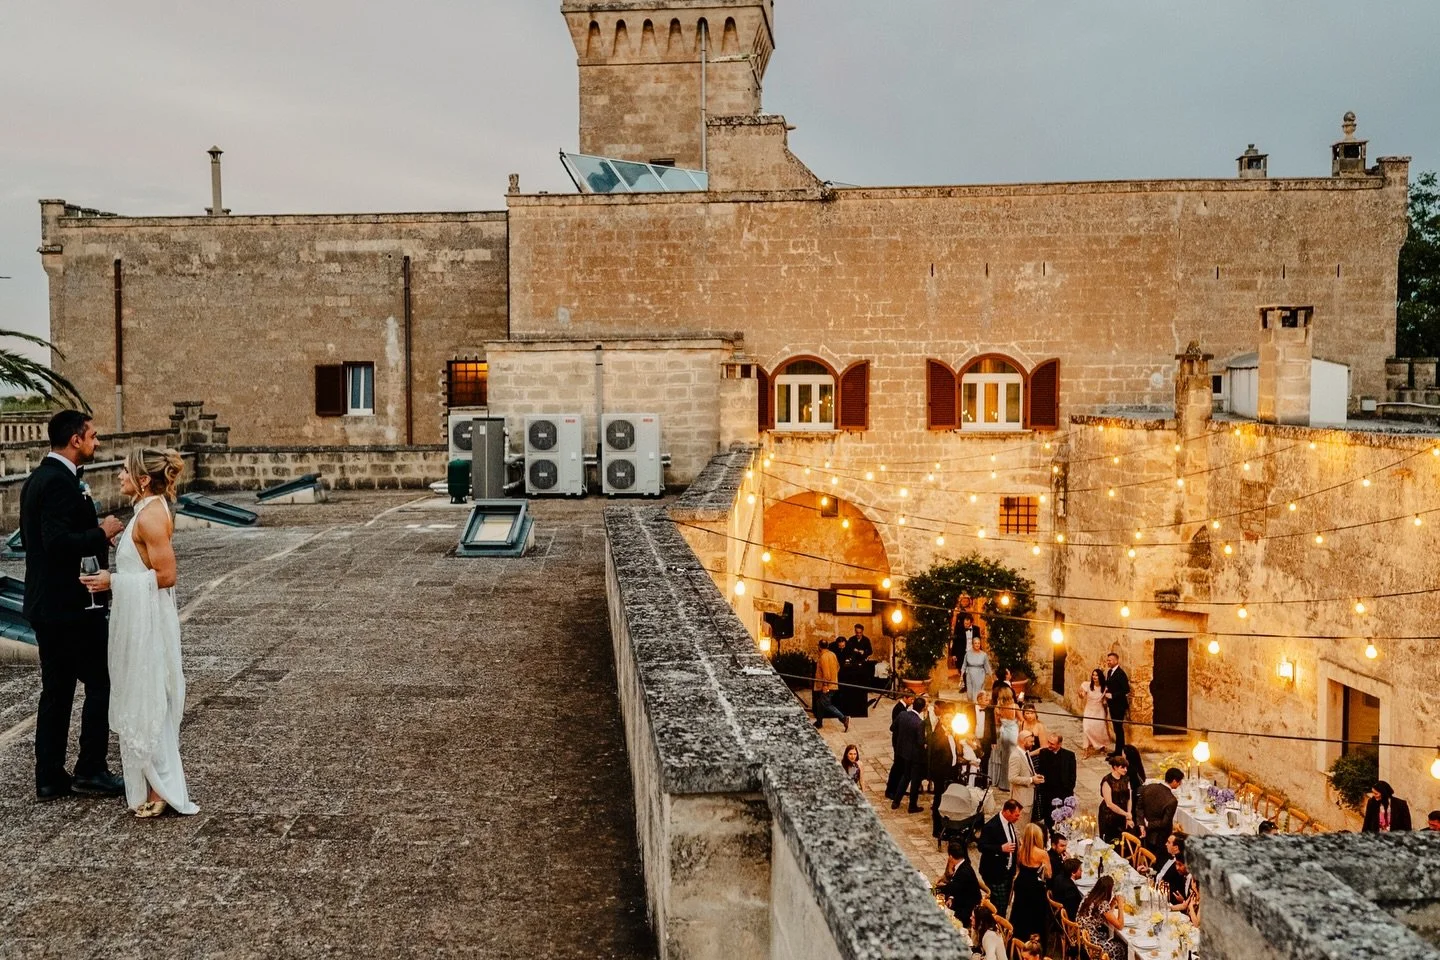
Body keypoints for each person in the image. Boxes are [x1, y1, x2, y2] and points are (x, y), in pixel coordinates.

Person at [80, 448, 199, 818]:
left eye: (124, 470)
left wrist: (112, 581)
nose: (119, 475)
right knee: (141, 696)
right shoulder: (145, 511)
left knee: (152, 698)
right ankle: (150, 782)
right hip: (138, 619)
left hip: (149, 623)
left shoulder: (150, 517)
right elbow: (145, 562)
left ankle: (162, 787)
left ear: (143, 480)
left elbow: (167, 575)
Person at [21, 410, 127, 802]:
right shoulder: (57, 482)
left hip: (48, 604)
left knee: (58, 689)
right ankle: (90, 769)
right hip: (70, 608)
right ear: (75, 439)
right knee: (100, 682)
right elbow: (56, 543)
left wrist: (93, 535)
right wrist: (101, 531)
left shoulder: (40, 478)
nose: (97, 442)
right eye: (93, 436)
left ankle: (49, 776)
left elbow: (50, 538)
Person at [979, 799, 1024, 914]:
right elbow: (981, 846)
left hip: (1008, 873)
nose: (1018, 818)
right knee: (999, 906)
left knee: (1004, 904)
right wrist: (1000, 848)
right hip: (995, 873)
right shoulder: (991, 826)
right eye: (1016, 815)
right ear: (1008, 812)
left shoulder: (1009, 824)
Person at [1010, 823, 1052, 942]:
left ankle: (1018, 941)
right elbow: (1049, 874)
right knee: (1035, 917)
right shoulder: (1042, 853)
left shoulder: (1021, 850)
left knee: (1020, 913)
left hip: (1021, 883)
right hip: (1035, 887)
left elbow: (1019, 866)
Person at [1033, 733, 1078, 834]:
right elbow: (1040, 770)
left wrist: (1069, 790)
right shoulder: (1043, 753)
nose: (1049, 745)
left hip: (1063, 793)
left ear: (1059, 744)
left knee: (1064, 822)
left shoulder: (1069, 755)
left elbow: (1072, 775)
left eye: (1052, 744)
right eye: (1048, 742)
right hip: (1047, 794)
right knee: (1048, 820)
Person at [1076, 875, 1126, 960]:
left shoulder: (1090, 895)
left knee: (1113, 937)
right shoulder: (1102, 904)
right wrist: (1121, 906)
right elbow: (1120, 926)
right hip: (1092, 943)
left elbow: (1105, 915)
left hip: (1080, 935)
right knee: (1122, 947)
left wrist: (1112, 903)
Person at [1139, 768, 1184, 858]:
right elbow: (1165, 823)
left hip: (1146, 834)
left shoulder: (1149, 787)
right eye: (1179, 782)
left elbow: (1139, 807)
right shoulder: (1172, 800)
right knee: (1159, 860)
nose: (1180, 784)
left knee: (1148, 857)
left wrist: (1141, 824)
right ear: (1174, 781)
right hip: (1160, 837)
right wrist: (1147, 824)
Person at [893, 696, 928, 812]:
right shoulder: (920, 723)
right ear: (922, 708)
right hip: (915, 755)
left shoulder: (902, 715)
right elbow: (920, 741)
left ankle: (896, 801)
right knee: (915, 780)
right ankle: (912, 806)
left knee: (905, 776)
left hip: (903, 752)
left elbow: (893, 728)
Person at [936, 839, 982, 925]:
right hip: (961, 898)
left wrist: (936, 889)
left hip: (967, 908)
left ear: (950, 857)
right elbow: (957, 885)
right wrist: (951, 897)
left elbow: (952, 886)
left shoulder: (963, 871)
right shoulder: (963, 864)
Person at [811, 639, 849, 732]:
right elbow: (838, 667)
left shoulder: (823, 657)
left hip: (827, 685)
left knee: (826, 703)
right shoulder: (832, 654)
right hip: (832, 683)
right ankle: (819, 722)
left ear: (819, 647)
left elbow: (826, 674)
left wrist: (825, 685)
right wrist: (834, 677)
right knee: (820, 703)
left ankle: (843, 718)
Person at [884, 692, 916, 802]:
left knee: (901, 767)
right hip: (899, 743)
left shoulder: (903, 708)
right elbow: (895, 727)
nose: (912, 702)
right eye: (911, 699)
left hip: (901, 742)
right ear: (905, 697)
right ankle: (891, 790)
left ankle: (899, 788)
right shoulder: (899, 709)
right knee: (897, 767)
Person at [1097, 753, 1134, 844]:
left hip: (1123, 812)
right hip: (1109, 815)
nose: (1125, 770)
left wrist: (1129, 814)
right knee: (1110, 840)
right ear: (1115, 767)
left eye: (1126, 767)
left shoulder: (1126, 779)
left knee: (1122, 840)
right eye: (1122, 767)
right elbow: (1109, 803)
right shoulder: (1107, 781)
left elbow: (1129, 798)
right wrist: (1126, 814)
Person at [1008, 732, 1045, 822]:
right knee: (1020, 826)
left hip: (1029, 798)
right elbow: (1012, 778)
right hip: (1021, 800)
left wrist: (1035, 776)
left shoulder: (1026, 753)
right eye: (1031, 741)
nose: (1033, 744)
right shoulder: (1016, 756)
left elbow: (1027, 771)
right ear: (1023, 741)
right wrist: (1031, 779)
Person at [988, 687, 1019, 791]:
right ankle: (1013, 783)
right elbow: (1021, 719)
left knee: (1005, 758)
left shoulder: (997, 708)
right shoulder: (1015, 706)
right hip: (1013, 733)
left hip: (1004, 733)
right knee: (1014, 757)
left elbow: (997, 723)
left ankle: (1004, 784)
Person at [1103, 652, 1130, 752]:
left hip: (1119, 706)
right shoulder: (1110, 672)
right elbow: (1109, 684)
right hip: (1112, 705)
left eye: (1110, 660)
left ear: (1116, 661)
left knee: (1118, 729)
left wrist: (1113, 695)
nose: (1108, 662)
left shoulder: (1121, 673)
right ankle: (1118, 751)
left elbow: (1126, 690)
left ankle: (1119, 751)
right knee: (1116, 728)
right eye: (1108, 660)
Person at [1079, 669, 1109, 757]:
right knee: (1086, 729)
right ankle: (1086, 750)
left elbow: (1104, 701)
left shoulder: (1104, 687)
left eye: (1096, 675)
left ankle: (1102, 746)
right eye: (1093, 675)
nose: (1094, 677)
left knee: (1100, 729)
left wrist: (1106, 713)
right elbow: (1082, 696)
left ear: (1100, 677)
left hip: (1099, 711)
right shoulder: (1087, 685)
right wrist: (1080, 694)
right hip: (1089, 710)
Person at [957, 626, 989, 699]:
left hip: (980, 675)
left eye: (978, 643)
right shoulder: (967, 654)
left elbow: (987, 666)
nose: (977, 645)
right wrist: (961, 675)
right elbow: (964, 665)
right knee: (970, 694)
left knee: (978, 694)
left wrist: (990, 676)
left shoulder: (983, 654)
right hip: (970, 675)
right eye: (975, 643)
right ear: (973, 644)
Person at [1049, 857, 1083, 924]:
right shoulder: (1070, 889)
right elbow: (1073, 910)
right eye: (1080, 870)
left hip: (1060, 909)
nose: (1082, 871)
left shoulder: (1059, 877)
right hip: (1070, 919)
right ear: (1073, 873)